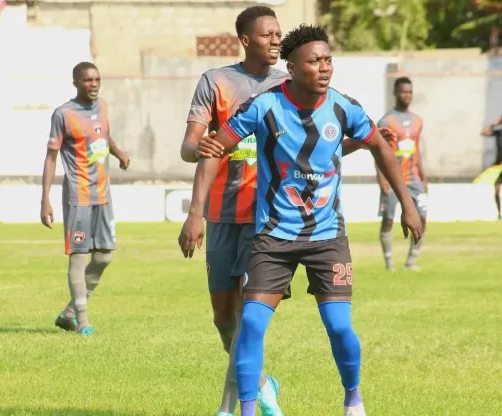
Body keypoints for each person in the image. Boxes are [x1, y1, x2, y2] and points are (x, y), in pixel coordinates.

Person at [178, 24, 423, 416]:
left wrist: (407, 204)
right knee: (252, 323)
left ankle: (353, 399)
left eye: (328, 60)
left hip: (327, 237)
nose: (324, 68)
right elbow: (214, 149)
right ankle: (245, 409)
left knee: (340, 326)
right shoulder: (263, 106)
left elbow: (378, 143)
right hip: (273, 236)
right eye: (315, 61)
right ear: (292, 68)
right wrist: (197, 201)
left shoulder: (343, 106)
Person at [179, 6, 288, 416]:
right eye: (268, 34)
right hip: (221, 216)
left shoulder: (289, 85)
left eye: (279, 33)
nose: (277, 40)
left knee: (247, 317)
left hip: (268, 219)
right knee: (224, 320)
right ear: (245, 40)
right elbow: (190, 146)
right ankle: (262, 382)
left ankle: (228, 409)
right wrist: (195, 212)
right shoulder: (217, 82)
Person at [40, 61, 130, 336]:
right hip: (78, 195)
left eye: (97, 79)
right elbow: (51, 156)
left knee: (103, 258)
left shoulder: (102, 106)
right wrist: (45, 199)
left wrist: (119, 153)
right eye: (87, 80)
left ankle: (68, 313)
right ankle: (82, 321)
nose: (93, 84)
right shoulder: (63, 114)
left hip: (104, 194)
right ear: (76, 83)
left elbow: (104, 134)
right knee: (79, 257)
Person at [374, 77, 428, 271]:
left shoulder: (417, 121)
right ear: (395, 93)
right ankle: (389, 262)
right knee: (388, 220)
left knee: (422, 217)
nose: (407, 95)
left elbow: (417, 150)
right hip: (393, 179)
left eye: (410, 92)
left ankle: (411, 261)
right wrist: (382, 179)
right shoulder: (386, 121)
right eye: (403, 92)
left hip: (414, 179)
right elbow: (379, 152)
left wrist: (423, 177)